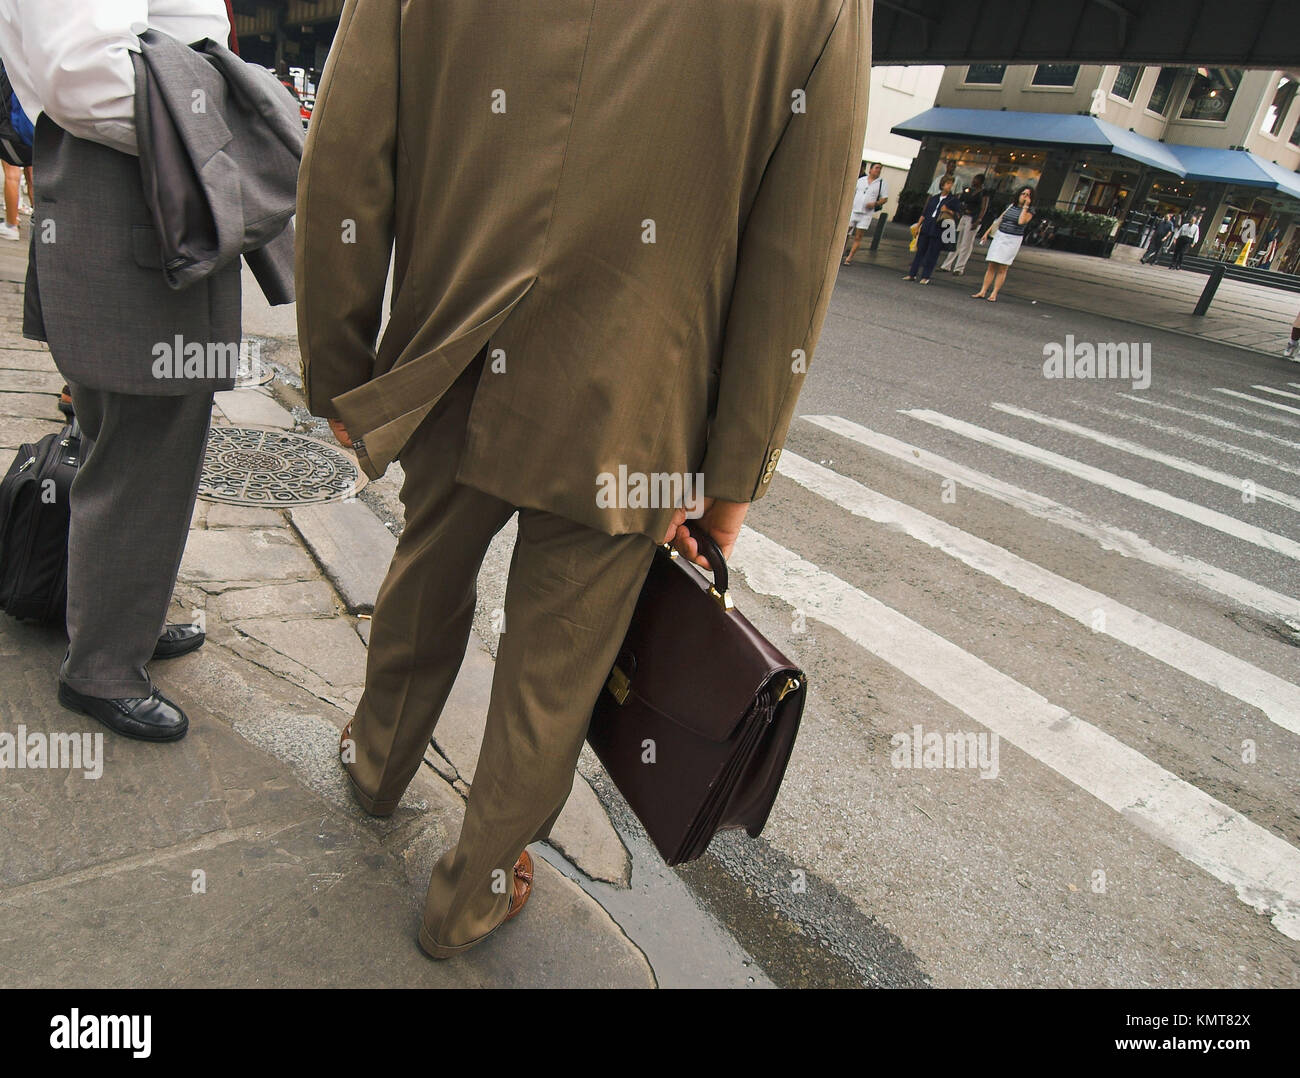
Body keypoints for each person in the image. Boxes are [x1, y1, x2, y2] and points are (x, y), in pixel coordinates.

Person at [298, 0, 869, 960]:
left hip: (453, 349)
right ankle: (466, 901)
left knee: (425, 573)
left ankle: (375, 768)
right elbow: (797, 247)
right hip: (638, 400)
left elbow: (346, 155)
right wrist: (732, 483)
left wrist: (339, 359)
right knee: (554, 676)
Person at [0, 0, 243, 740]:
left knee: (133, 447)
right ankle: (102, 666)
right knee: (143, 448)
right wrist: (212, 121)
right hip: (136, 193)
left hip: (139, 192)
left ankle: (115, 620)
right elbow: (80, 73)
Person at [972, 184, 1034, 302]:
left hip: (1013, 239)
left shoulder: (1030, 211)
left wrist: (1025, 206)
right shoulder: (1011, 206)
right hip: (1001, 235)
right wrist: (987, 232)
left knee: (1003, 267)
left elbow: (1021, 221)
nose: (1025, 196)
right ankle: (983, 290)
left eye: (1028, 195)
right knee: (991, 264)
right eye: (1023, 194)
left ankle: (994, 293)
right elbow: (999, 219)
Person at [903, 175, 960, 284]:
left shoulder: (953, 200)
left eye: (951, 184)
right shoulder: (934, 198)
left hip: (939, 229)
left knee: (933, 254)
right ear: (942, 185)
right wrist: (918, 225)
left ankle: (926, 276)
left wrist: (948, 210)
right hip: (927, 226)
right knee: (920, 251)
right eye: (948, 183)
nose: (950, 186)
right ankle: (912, 274)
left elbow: (957, 215)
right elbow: (925, 213)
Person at [940, 173, 988, 275]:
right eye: (973, 179)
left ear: (980, 182)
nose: (973, 181)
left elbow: (984, 207)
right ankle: (946, 265)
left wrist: (979, 219)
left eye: (976, 180)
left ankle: (959, 268)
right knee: (957, 240)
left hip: (973, 219)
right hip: (964, 216)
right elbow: (960, 200)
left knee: (966, 243)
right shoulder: (969, 190)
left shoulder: (983, 193)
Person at [843, 161, 887, 265]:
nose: (878, 170)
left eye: (880, 169)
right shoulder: (861, 180)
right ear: (870, 169)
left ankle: (849, 258)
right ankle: (841, 252)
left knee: (858, 236)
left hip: (866, 214)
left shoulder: (881, 183)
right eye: (876, 168)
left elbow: (884, 198)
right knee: (845, 233)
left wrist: (875, 203)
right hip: (854, 210)